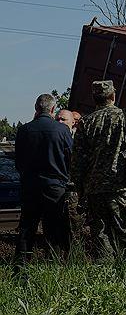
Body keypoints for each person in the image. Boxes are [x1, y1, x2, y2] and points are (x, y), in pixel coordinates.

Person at [71, 80, 126, 257]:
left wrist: (80, 190)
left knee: (100, 233)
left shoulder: (86, 122)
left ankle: (105, 269)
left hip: (95, 188)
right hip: (123, 187)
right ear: (113, 96)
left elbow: (77, 161)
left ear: (94, 98)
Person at [15, 94, 73, 260]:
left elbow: (18, 161)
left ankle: (20, 266)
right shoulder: (62, 130)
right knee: (53, 228)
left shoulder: (24, 130)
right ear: (53, 108)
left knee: (27, 228)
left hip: (30, 185)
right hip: (55, 187)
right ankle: (51, 264)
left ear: (36, 108)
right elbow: (71, 158)